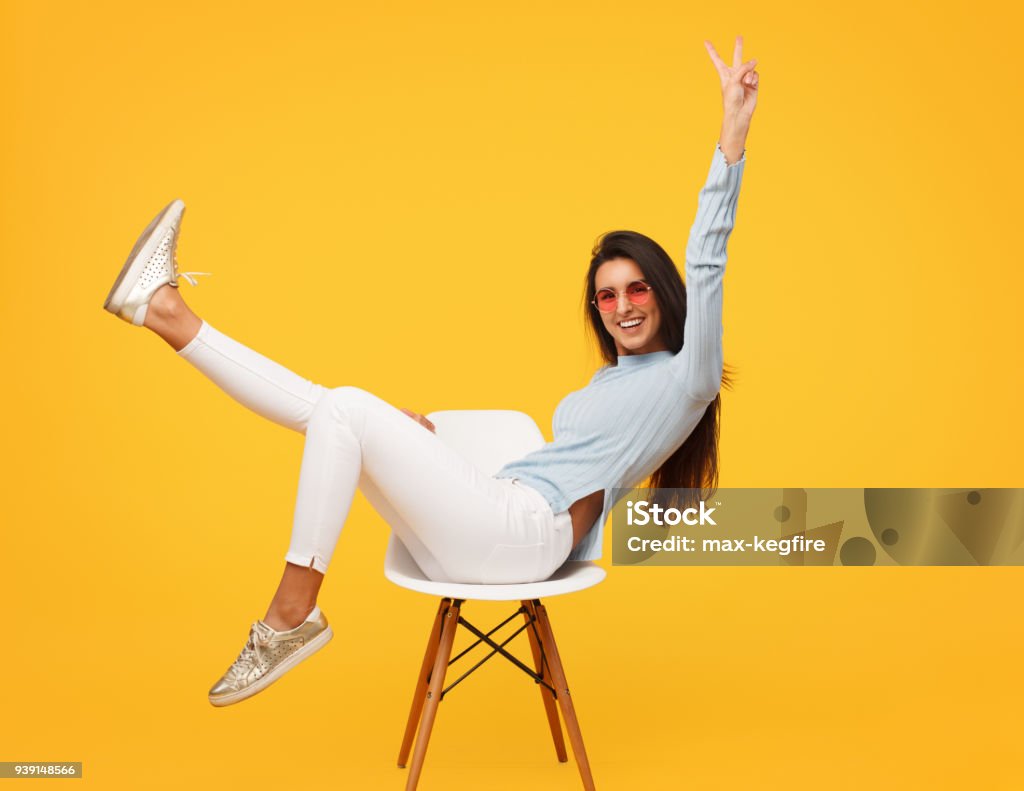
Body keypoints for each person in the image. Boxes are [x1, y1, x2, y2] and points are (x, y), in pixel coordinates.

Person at [102, 37, 759, 707]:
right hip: (496, 523)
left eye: (638, 289)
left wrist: (731, 133)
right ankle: (166, 313)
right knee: (338, 410)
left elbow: (708, 261)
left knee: (347, 408)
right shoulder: (607, 385)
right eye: (608, 294)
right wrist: (425, 450)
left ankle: (289, 614)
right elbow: (543, 471)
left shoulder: (687, 377)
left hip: (523, 535)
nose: (622, 306)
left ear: (665, 295)